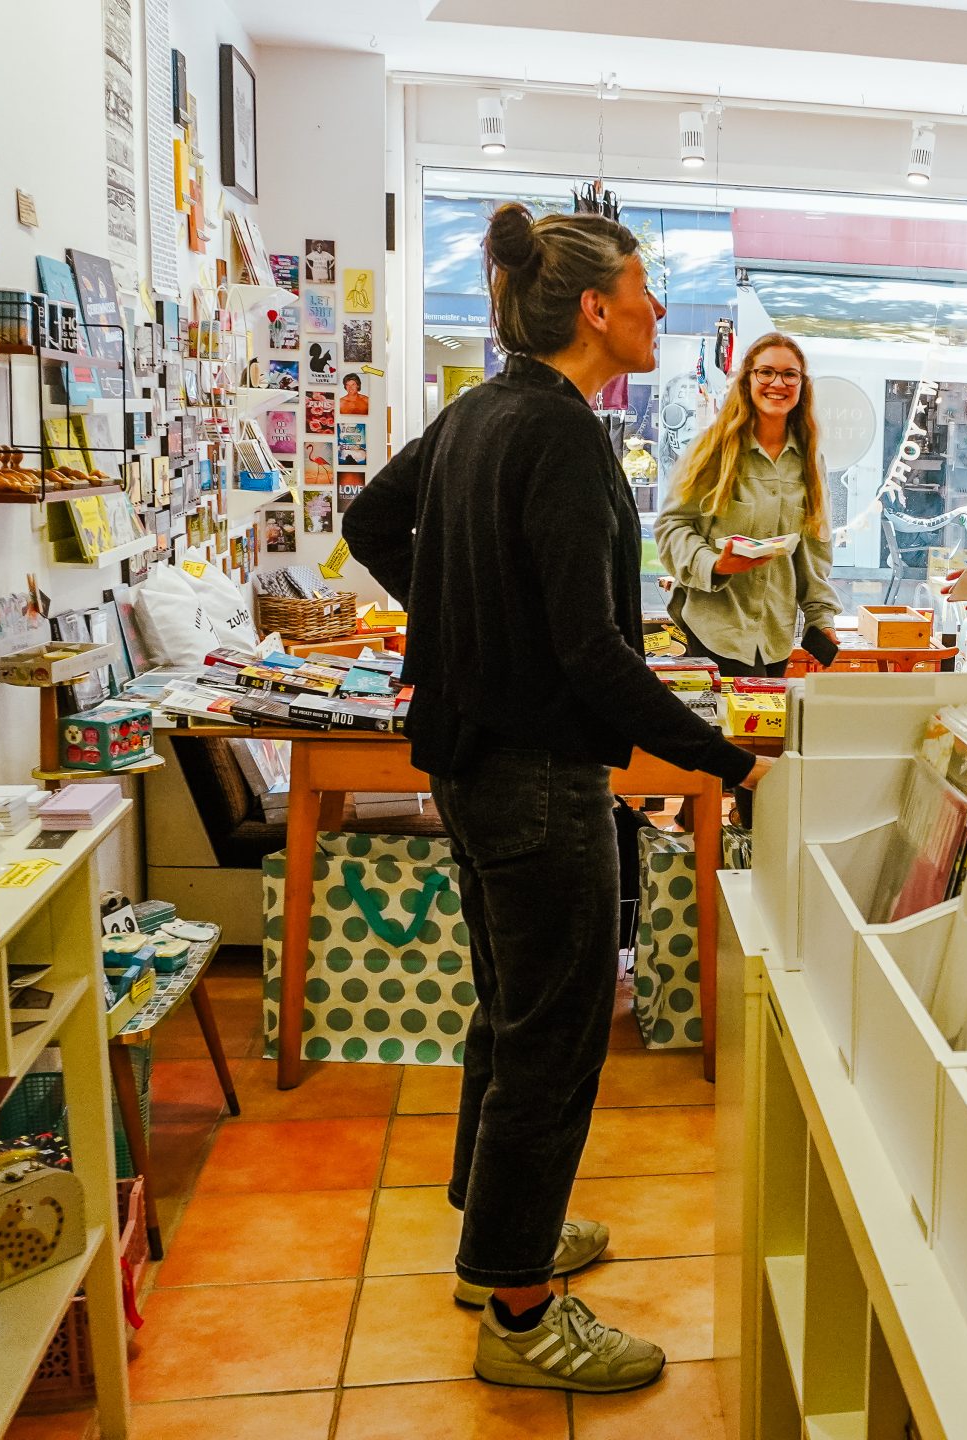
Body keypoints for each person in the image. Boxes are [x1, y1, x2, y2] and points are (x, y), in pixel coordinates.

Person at [343, 201, 766, 1396]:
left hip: (473, 765)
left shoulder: (482, 412)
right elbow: (592, 654)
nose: (657, 309)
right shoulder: (566, 435)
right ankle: (521, 1314)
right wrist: (723, 759)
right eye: (643, 288)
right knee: (558, 1038)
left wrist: (458, 621)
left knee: (509, 1010)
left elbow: (371, 521)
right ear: (594, 307)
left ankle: (497, 1240)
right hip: (536, 777)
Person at [654, 334, 843, 677]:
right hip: (713, 633)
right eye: (766, 372)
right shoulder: (712, 450)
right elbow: (672, 526)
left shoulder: (810, 461)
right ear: (747, 380)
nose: (778, 383)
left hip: (774, 637)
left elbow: (814, 549)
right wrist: (714, 564)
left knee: (763, 729)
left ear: (802, 384)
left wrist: (820, 617)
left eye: (790, 375)